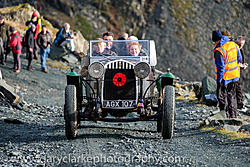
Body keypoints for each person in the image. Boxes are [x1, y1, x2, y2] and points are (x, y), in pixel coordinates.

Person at [212, 30, 242, 118]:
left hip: (225, 77)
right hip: (235, 75)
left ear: (216, 40)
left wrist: (219, 80)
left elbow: (221, 68)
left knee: (222, 97)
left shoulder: (219, 51)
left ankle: (224, 117)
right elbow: (239, 58)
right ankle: (233, 116)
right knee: (232, 96)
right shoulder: (233, 44)